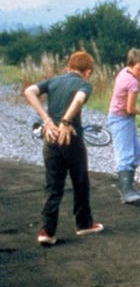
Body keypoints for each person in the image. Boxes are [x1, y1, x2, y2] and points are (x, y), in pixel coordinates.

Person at [23, 50, 104, 245]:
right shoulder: (84, 84)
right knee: (80, 181)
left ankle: (46, 231)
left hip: (50, 137)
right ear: (88, 72)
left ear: (68, 67)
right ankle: (84, 224)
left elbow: (29, 91)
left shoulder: (53, 81)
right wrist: (66, 122)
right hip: (71, 137)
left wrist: (47, 120)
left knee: (53, 185)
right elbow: (78, 99)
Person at [107, 48, 140, 203]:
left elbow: (135, 77)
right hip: (120, 119)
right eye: (139, 69)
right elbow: (130, 108)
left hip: (125, 119)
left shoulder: (125, 72)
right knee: (126, 155)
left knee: (136, 153)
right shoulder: (132, 82)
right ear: (131, 65)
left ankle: (131, 188)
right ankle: (126, 192)